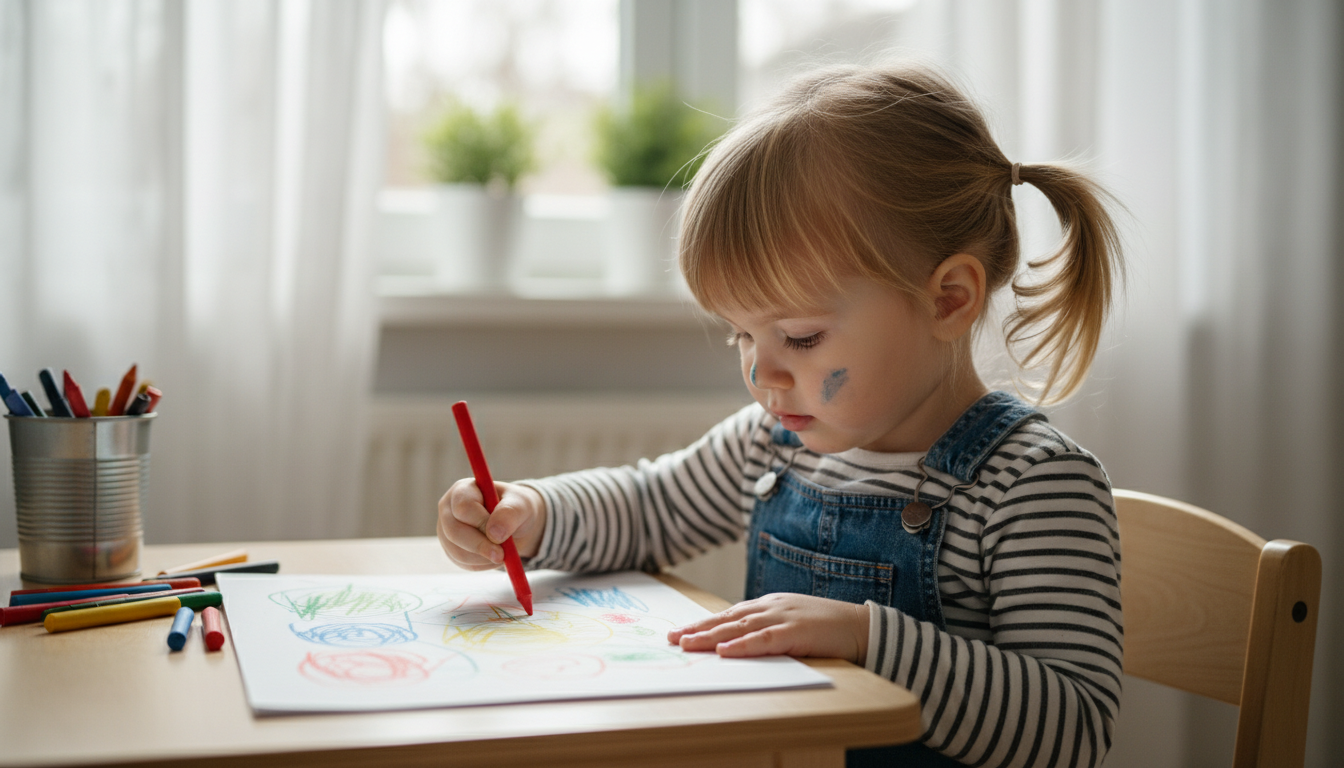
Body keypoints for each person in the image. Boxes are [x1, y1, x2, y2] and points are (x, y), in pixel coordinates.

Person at [438, 63, 1123, 768]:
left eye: (799, 337)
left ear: (948, 299)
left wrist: (865, 637)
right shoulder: (772, 446)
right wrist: (536, 513)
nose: (760, 374)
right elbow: (649, 507)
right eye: (741, 335)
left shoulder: (1034, 486)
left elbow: (1072, 729)